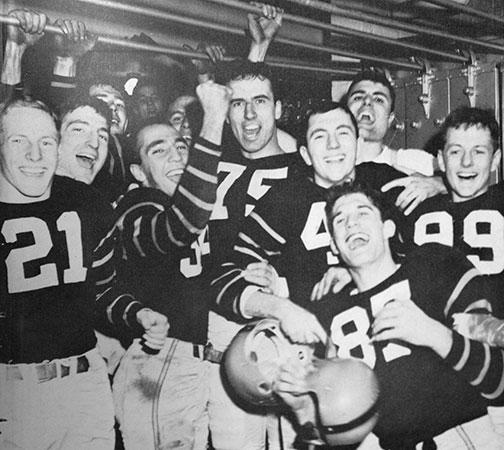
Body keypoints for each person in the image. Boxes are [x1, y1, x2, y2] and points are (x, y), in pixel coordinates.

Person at [274, 182, 504, 449]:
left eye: (363, 213)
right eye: (340, 220)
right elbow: (336, 440)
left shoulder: (435, 267)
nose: (352, 224)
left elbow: (498, 382)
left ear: (388, 228)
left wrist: (433, 334)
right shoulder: (326, 314)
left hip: (465, 437)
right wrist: (304, 409)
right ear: (335, 247)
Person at [0, 98, 168, 450]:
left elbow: (102, 292)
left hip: (83, 387)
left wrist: (138, 313)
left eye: (46, 142)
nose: (35, 155)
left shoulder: (88, 203)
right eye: (19, 141)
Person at [210, 101, 413, 339]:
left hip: (397, 330)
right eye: (320, 136)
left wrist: (438, 184)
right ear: (305, 154)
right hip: (320, 347)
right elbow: (221, 277)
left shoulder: (385, 182)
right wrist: (280, 308)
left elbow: (438, 249)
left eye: (343, 133)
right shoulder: (287, 198)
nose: (333, 145)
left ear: (358, 144)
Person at [111, 80, 231, 450]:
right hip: (158, 365)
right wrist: (213, 119)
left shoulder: (181, 205)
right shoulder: (138, 205)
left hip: (192, 363)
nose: (177, 156)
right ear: (138, 171)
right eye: (158, 151)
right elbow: (179, 227)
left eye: (181, 146)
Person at [403, 107, 504, 314]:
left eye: (479, 151)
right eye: (456, 151)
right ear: (441, 160)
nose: (467, 162)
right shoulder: (416, 208)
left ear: (495, 160)